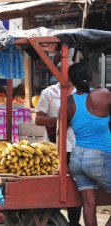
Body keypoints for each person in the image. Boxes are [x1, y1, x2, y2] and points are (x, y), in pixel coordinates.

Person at [67, 63, 111, 226]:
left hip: (77, 158)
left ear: (72, 81)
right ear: (91, 77)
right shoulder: (104, 94)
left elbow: (59, 132)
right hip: (101, 156)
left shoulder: (69, 102)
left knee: (89, 205)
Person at [35, 80, 82, 226]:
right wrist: (59, 119)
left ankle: (74, 222)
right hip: (54, 149)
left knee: (75, 189)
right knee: (54, 187)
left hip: (76, 148)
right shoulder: (48, 92)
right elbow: (38, 119)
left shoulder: (81, 93)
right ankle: (53, 218)